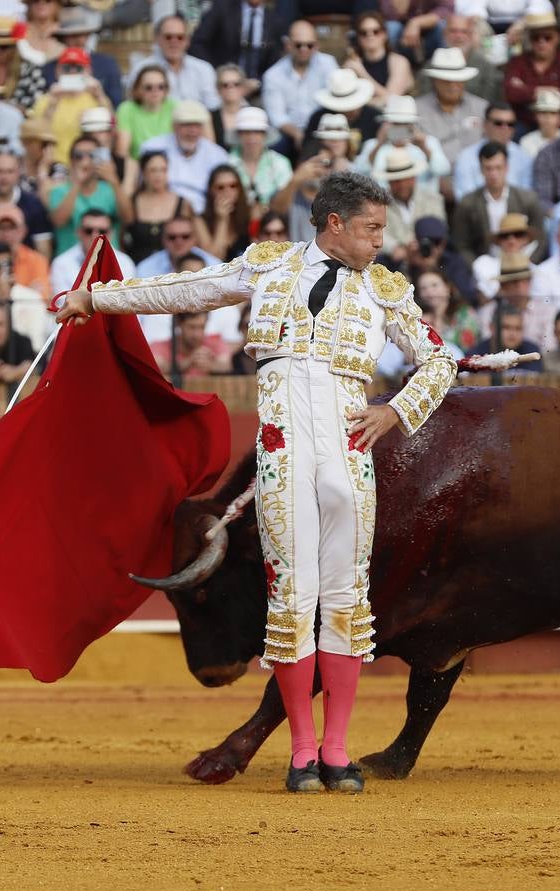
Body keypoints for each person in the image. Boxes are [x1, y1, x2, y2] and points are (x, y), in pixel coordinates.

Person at [56, 172, 458, 795]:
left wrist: (396, 411)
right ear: (335, 224)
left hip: (349, 456)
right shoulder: (268, 265)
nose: (382, 240)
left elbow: (440, 358)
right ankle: (302, 755)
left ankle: (337, 750)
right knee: (292, 602)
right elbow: (188, 290)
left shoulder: (387, 289)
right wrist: (96, 299)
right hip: (284, 453)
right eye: (373, 228)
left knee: (347, 601)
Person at [450, 141, 547, 266]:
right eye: (488, 168)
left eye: (498, 167)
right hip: (485, 266)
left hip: (523, 263)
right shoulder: (468, 203)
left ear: (506, 168)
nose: (493, 174)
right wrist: (477, 267)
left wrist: (526, 264)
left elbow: (541, 239)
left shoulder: (527, 199)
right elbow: (461, 244)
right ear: (481, 169)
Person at [414, 48, 489, 192]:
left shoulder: (482, 107)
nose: (453, 85)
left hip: (477, 177)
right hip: (433, 178)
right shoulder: (416, 109)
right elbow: (394, 135)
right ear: (434, 81)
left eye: (458, 80)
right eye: (447, 80)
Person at [261, 19, 338, 158]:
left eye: (309, 45)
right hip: (289, 133)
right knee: (274, 146)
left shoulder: (328, 64)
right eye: (298, 45)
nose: (304, 49)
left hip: (322, 129)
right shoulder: (273, 75)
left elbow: (335, 100)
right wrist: (298, 134)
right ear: (288, 45)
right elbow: (277, 117)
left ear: (317, 46)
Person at [139, 101, 230, 215]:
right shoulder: (152, 147)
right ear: (174, 126)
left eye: (197, 125)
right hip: (161, 211)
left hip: (204, 213)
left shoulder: (218, 155)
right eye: (186, 125)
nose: (192, 131)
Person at [30, 47, 115, 165]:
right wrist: (53, 103)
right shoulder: (45, 100)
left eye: (79, 68)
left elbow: (112, 129)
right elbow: (38, 138)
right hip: (56, 164)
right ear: (57, 71)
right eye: (67, 68)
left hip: (90, 163)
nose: (72, 72)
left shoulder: (96, 98)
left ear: (88, 71)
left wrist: (100, 96)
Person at [504, 11, 560, 132]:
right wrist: (542, 91)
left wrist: (526, 89)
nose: (542, 42)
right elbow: (510, 92)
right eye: (536, 38)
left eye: (547, 37)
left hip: (559, 125)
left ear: (558, 37)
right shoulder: (517, 61)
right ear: (529, 39)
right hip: (524, 122)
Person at [356, 95, 450, 194]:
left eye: (406, 124)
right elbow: (359, 173)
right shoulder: (372, 145)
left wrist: (424, 147)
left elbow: (443, 171)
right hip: (383, 203)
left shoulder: (429, 142)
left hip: (423, 204)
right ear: (387, 124)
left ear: (413, 124)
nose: (401, 128)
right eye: (396, 124)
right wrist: (379, 144)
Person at [47, 134, 122, 254]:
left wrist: (114, 181)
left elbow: (128, 218)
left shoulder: (110, 189)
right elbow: (58, 221)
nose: (85, 161)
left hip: (108, 260)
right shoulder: (58, 191)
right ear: (71, 161)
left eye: (92, 155)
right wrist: (77, 183)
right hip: (71, 264)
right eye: (79, 156)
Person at [127, 15, 219, 113]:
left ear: (187, 41)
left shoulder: (204, 69)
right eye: (168, 37)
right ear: (157, 39)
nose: (174, 42)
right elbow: (133, 107)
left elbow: (213, 107)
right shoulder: (141, 69)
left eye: (180, 37)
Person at [41, 6, 122, 108]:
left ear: (88, 35)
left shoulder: (107, 63)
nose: (78, 40)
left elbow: (117, 103)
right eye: (71, 35)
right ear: (63, 38)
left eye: (81, 34)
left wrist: (99, 94)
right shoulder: (49, 68)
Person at [451, 102, 534, 200]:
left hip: (515, 213)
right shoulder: (466, 157)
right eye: (498, 123)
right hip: (477, 212)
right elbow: (464, 198)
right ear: (485, 125)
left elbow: (526, 196)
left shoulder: (524, 157)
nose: (505, 128)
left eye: (510, 124)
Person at [477, 250, 557, 351]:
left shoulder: (547, 312)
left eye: (524, 280)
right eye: (514, 282)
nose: (520, 286)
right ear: (503, 285)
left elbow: (549, 349)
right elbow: (489, 347)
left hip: (536, 364)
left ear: (530, 281)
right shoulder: (488, 312)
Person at [49, 207, 138, 296]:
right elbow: (62, 303)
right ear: (78, 232)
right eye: (88, 231)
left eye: (102, 231)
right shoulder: (61, 263)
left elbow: (127, 299)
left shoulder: (125, 262)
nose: (95, 236)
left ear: (111, 234)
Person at [189, 0, 287, 80]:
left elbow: (274, 61)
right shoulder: (222, 9)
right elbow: (197, 43)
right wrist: (214, 73)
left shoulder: (275, 21)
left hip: (257, 90)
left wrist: (258, 83)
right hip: (221, 84)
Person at [378, 147, 443, 268]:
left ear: (414, 178)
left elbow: (439, 229)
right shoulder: (378, 204)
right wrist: (394, 248)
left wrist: (421, 246)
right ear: (389, 182)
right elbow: (376, 232)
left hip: (429, 255)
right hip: (394, 260)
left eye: (405, 179)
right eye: (396, 181)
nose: (402, 184)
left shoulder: (433, 199)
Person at [123, 151, 192, 263]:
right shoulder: (133, 201)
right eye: (153, 170)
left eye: (163, 170)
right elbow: (123, 235)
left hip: (172, 269)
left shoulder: (183, 203)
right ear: (144, 173)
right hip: (137, 268)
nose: (158, 175)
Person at [344, 10, 413, 106]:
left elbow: (392, 100)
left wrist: (362, 73)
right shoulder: (352, 64)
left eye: (375, 31)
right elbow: (345, 102)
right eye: (364, 32)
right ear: (358, 38)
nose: (370, 35)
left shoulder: (399, 62)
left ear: (384, 34)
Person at [149, 309, 233, 376]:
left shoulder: (215, 343)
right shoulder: (160, 346)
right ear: (179, 324)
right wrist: (187, 363)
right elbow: (156, 368)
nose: (197, 334)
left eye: (201, 327)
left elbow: (227, 366)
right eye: (191, 327)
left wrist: (211, 366)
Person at [194, 165, 252, 262]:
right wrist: (222, 220)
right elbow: (214, 260)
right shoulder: (199, 220)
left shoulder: (250, 214)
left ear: (240, 189)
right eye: (220, 187)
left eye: (233, 186)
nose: (227, 192)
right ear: (211, 191)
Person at [413, 269, 479, 352]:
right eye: (423, 288)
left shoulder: (464, 314)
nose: (429, 291)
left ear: (447, 287)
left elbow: (468, 348)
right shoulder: (421, 318)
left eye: (434, 285)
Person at [467, 304, 543, 371]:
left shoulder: (531, 352)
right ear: (492, 328)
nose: (512, 334)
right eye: (506, 327)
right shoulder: (476, 354)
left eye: (518, 328)